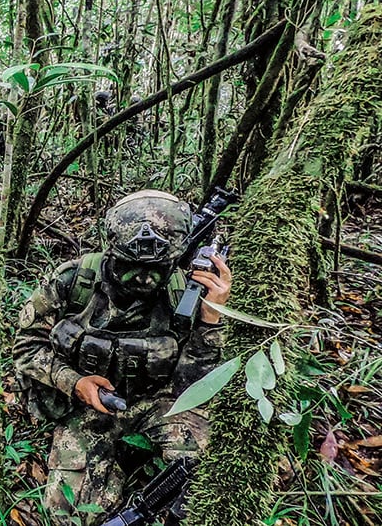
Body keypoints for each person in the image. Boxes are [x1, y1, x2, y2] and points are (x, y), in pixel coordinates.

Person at [13, 190, 232, 523]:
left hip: (159, 402)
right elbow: (27, 347)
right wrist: (75, 383)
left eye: (155, 269)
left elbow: (194, 384)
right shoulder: (74, 281)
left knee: (210, 474)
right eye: (129, 267)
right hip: (86, 407)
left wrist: (211, 319)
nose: (142, 278)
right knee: (69, 514)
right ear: (112, 250)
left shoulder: (188, 291)